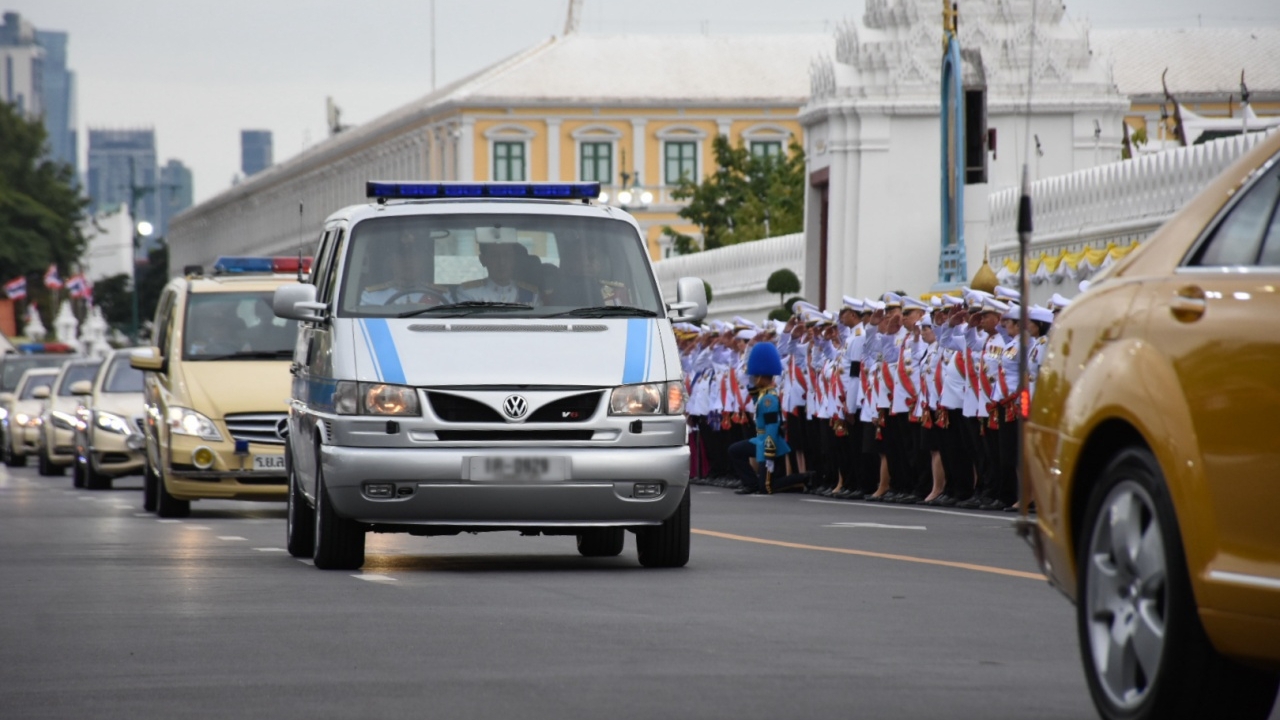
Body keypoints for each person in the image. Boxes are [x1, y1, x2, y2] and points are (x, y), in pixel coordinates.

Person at [729, 342, 791, 495]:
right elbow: (747, 382)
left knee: (767, 488)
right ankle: (750, 483)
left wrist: (769, 454)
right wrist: (750, 352)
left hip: (770, 444)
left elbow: (772, 427)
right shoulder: (762, 394)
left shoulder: (769, 398)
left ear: (762, 377)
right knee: (734, 450)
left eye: (756, 376)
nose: (753, 378)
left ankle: (803, 479)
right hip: (760, 440)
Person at [359, 228, 448, 307]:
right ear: (390, 262)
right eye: (401, 256)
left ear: (423, 261)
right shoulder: (372, 296)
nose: (408, 261)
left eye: (413, 256)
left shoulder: (441, 296)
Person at [451, 232, 540, 305]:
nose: (502, 262)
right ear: (483, 260)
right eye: (494, 256)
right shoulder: (469, 292)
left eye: (507, 255)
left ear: (514, 259)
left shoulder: (531, 294)